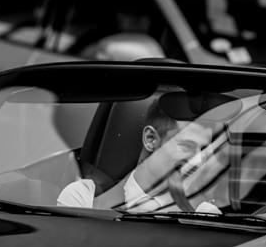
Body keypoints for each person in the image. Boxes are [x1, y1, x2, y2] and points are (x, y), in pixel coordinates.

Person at [57, 92, 223, 214]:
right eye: (187, 146)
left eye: (204, 150)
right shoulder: (84, 199)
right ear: (151, 139)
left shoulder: (202, 214)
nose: (198, 161)